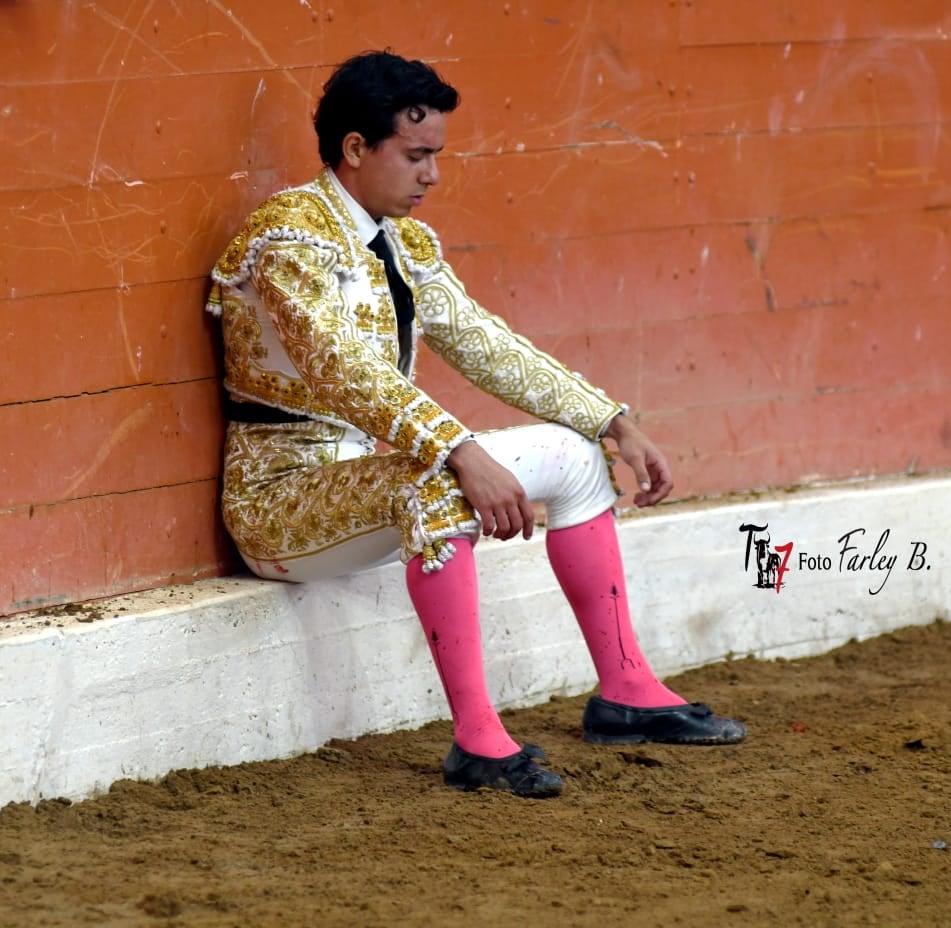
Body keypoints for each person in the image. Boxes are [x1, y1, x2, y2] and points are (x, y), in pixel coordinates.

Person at [206, 50, 745, 798]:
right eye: (417, 155)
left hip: (373, 477)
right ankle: (478, 741)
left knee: (574, 456)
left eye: (437, 156)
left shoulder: (403, 243)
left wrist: (612, 420)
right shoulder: (288, 238)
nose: (433, 175)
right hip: (282, 501)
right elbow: (338, 369)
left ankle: (626, 691)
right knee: (433, 478)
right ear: (357, 149)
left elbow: (484, 342)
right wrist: (457, 448)